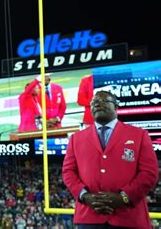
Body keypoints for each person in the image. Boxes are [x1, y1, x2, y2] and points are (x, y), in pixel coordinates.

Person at [62, 90, 158, 228]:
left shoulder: (139, 135)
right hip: (89, 217)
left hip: (128, 217)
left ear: (116, 107)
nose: (98, 104)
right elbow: (68, 172)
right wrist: (85, 196)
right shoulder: (76, 138)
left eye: (104, 101)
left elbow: (149, 173)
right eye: (94, 102)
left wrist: (123, 197)